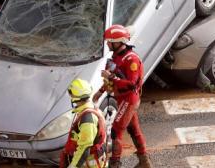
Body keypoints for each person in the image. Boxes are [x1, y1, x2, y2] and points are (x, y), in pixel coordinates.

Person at [97, 25, 151, 168]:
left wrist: (112, 77)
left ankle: (115, 163)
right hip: (121, 98)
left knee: (116, 131)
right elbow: (110, 78)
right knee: (133, 129)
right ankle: (144, 162)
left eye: (110, 41)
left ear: (119, 42)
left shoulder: (131, 59)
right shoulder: (115, 57)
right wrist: (100, 91)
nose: (107, 44)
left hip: (129, 99)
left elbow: (131, 85)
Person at [60, 78, 108, 168]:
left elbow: (85, 148)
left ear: (76, 98)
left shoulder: (87, 119)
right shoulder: (89, 109)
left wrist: (73, 166)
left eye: (71, 94)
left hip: (90, 163)